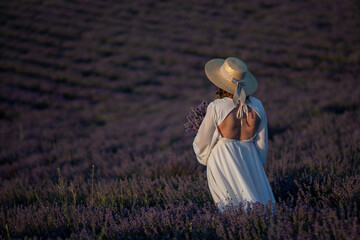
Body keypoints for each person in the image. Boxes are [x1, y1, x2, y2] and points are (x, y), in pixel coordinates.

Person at [193, 57, 275, 212]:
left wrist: (205, 158)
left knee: (231, 207)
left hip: (223, 161)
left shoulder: (216, 107)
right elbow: (262, 143)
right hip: (251, 159)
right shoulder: (258, 106)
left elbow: (202, 141)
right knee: (259, 207)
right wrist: (256, 164)